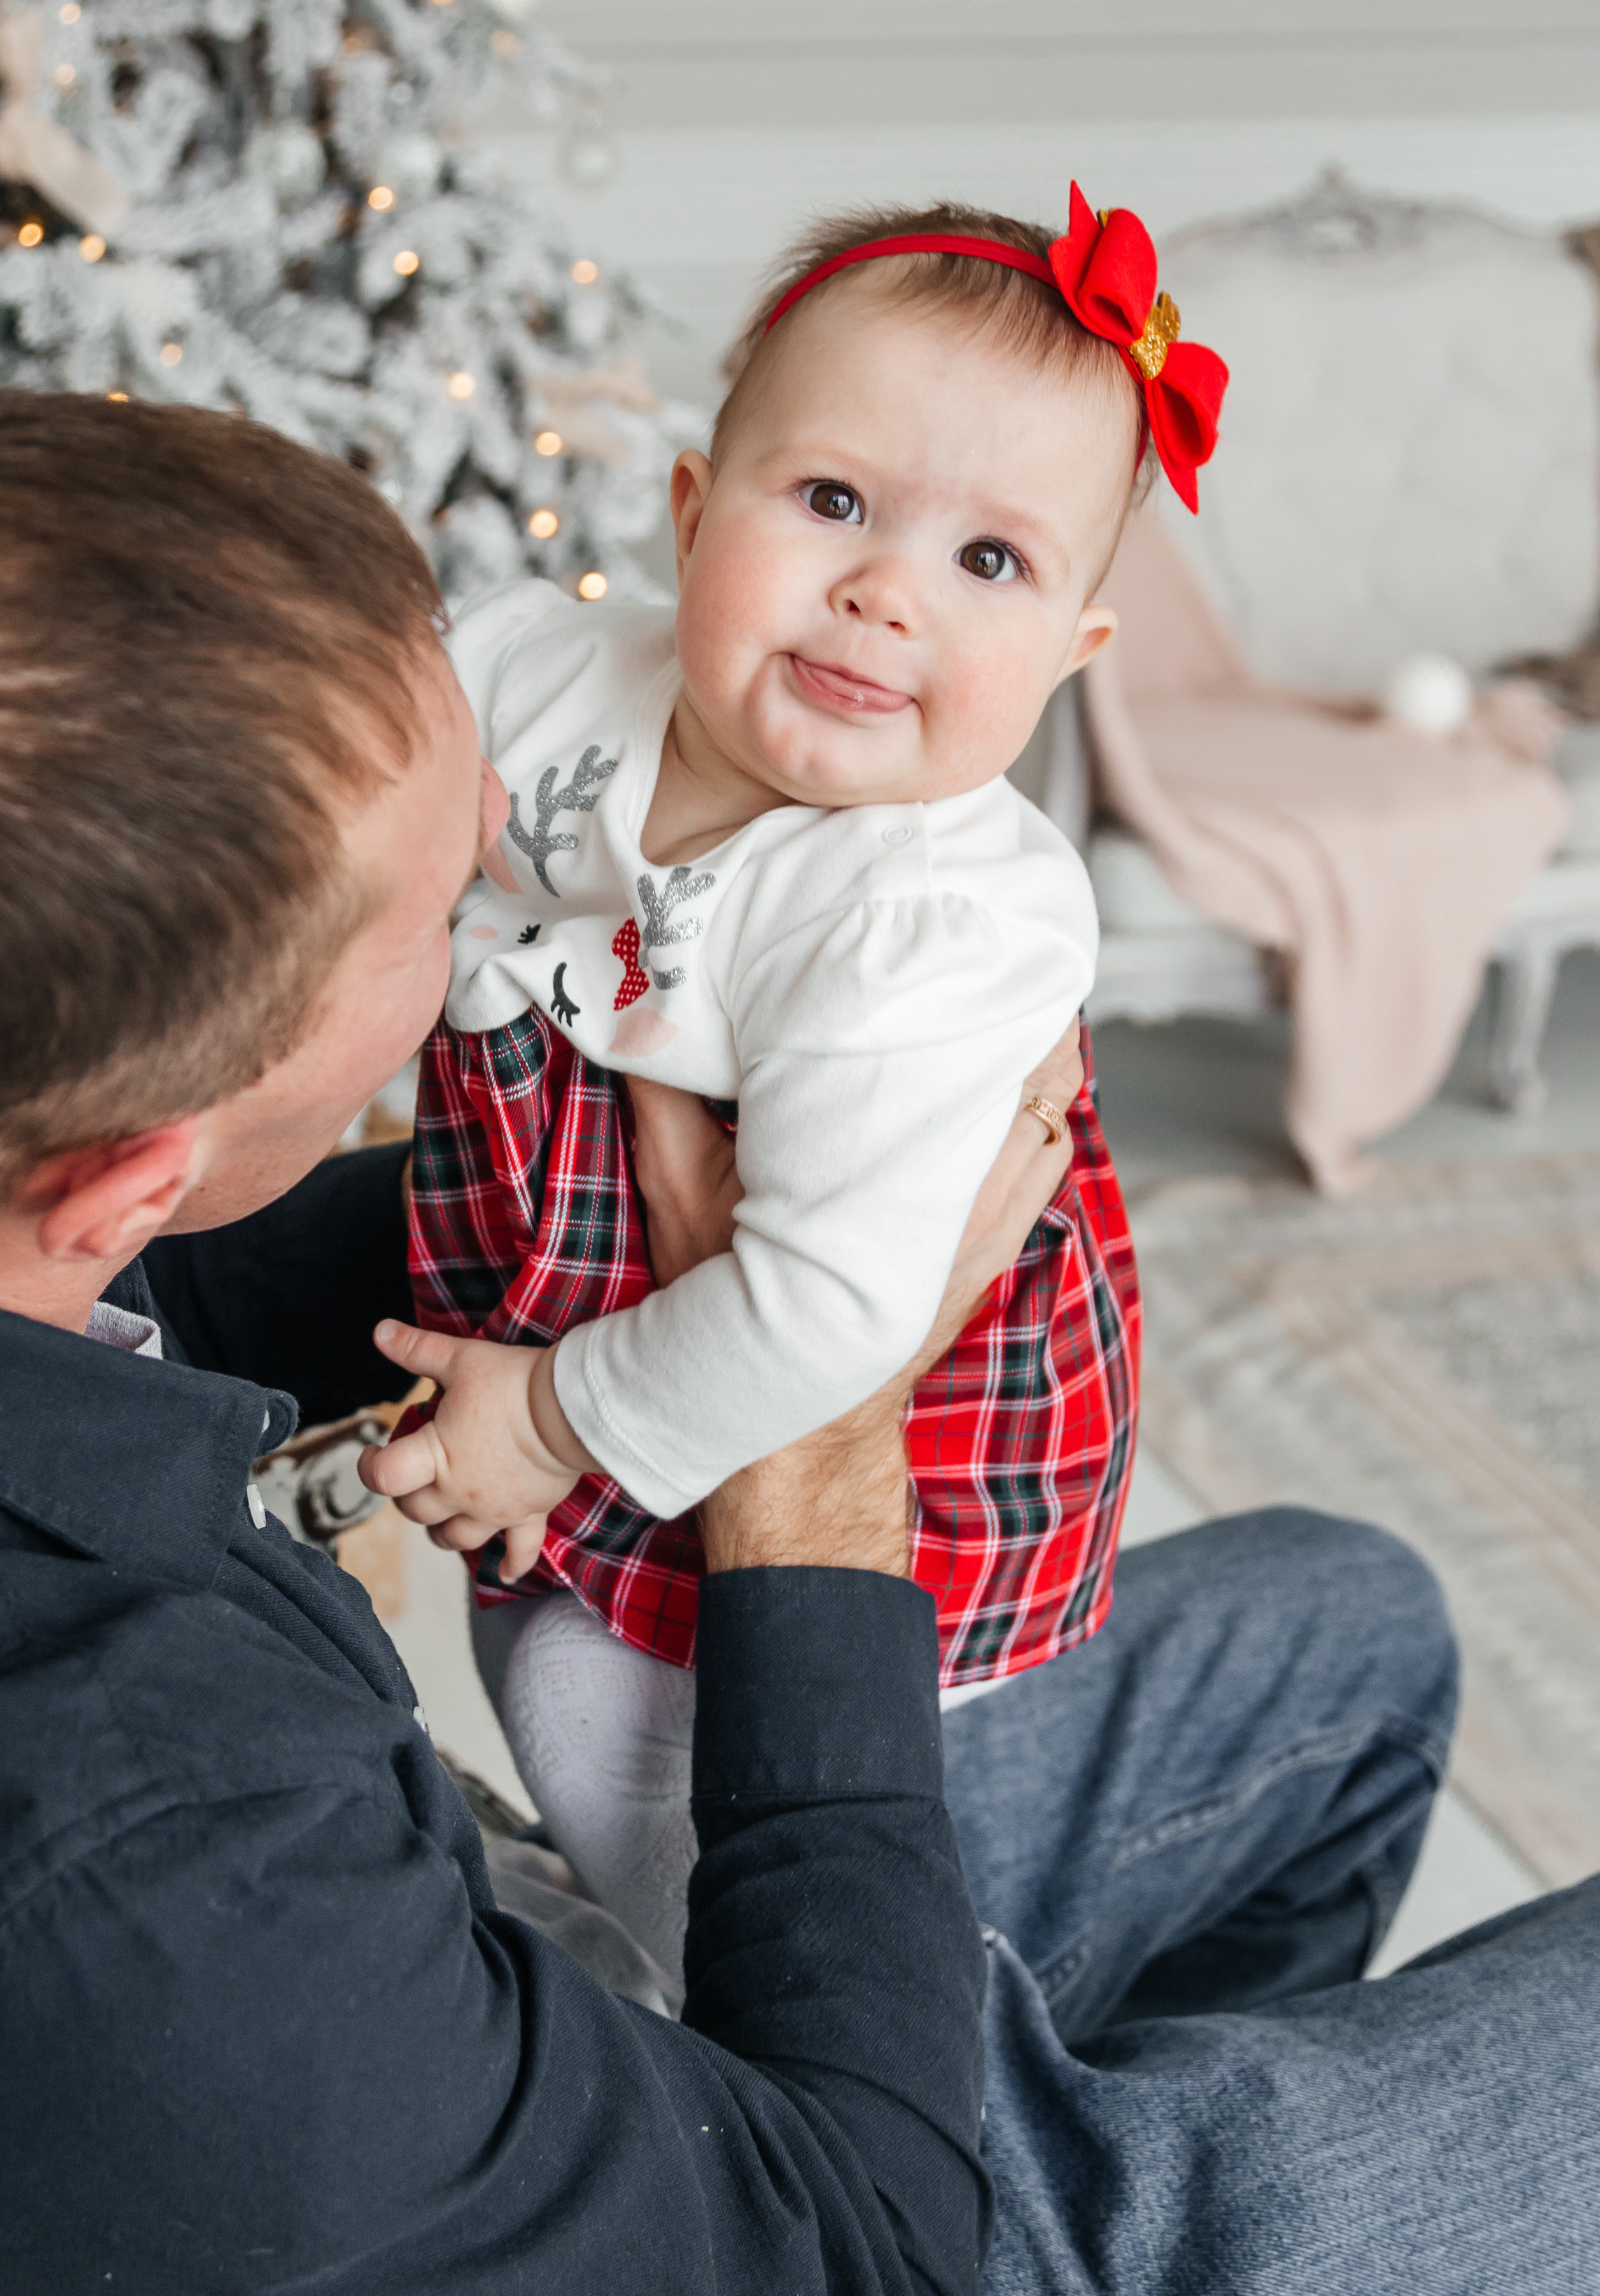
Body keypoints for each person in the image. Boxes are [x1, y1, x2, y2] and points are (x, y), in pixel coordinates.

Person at [3, 391, 1600, 2295]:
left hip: (500, 2088)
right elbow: (862, 2243)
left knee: (1348, 1627)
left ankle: (1068, 2102)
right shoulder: (157, 1861)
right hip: (805, 2220)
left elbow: (203, 1284)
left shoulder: (62, 1258)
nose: (511, 855)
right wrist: (808, 1386)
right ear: (124, 1175)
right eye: (450, 893)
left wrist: (670, 1223)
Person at [361, 191, 1213, 1965]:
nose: (882, 589)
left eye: (992, 562)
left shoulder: (926, 918)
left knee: (651, 1777)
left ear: (1071, 656)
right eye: (831, 500)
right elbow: (357, 782)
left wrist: (548, 1424)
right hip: (590, 1318)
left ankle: (766, 2047)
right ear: (689, 512)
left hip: (875, 1436)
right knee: (535, 1654)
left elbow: (828, 1309)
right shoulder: (542, 672)